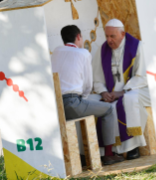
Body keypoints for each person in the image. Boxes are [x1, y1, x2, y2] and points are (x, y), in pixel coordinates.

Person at [51, 25, 125, 165]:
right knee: (108, 109)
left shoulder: (56, 51)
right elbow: (88, 85)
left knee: (92, 103)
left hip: (57, 105)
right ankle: (108, 154)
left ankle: (82, 153)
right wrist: (83, 98)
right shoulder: (84, 53)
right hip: (73, 103)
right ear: (78, 37)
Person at [92, 19, 151, 160]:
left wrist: (123, 91)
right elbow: (97, 77)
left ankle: (133, 147)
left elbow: (142, 76)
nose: (109, 40)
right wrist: (103, 92)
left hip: (137, 88)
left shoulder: (136, 47)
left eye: (112, 36)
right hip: (112, 93)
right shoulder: (102, 50)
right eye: (107, 36)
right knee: (99, 104)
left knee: (129, 100)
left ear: (122, 33)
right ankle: (112, 150)